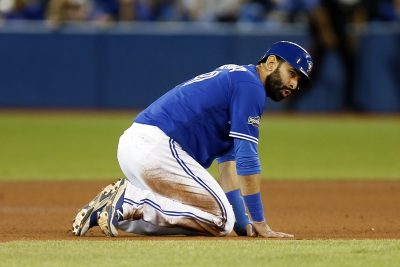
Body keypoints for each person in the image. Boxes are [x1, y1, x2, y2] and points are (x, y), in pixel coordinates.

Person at [72, 41, 313, 238]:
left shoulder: (240, 79)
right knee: (220, 220)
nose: (294, 83)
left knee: (210, 218)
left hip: (138, 147)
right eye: (292, 73)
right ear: (271, 62)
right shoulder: (250, 86)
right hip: (158, 148)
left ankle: (113, 211)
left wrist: (244, 225)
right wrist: (260, 222)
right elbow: (247, 159)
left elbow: (229, 169)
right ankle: (129, 200)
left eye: (299, 80)